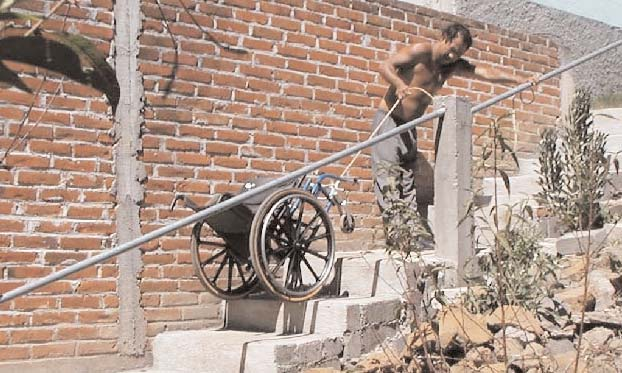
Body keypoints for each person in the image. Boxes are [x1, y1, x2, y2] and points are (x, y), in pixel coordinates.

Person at [372, 22, 526, 224]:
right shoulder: (421, 51)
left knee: (408, 181)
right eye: (452, 50)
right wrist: (399, 84)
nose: (452, 57)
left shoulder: (450, 66)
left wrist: (520, 80)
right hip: (389, 120)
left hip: (410, 127)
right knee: (388, 178)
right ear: (444, 38)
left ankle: (409, 233)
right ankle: (396, 233)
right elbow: (385, 66)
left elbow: (486, 73)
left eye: (458, 54)